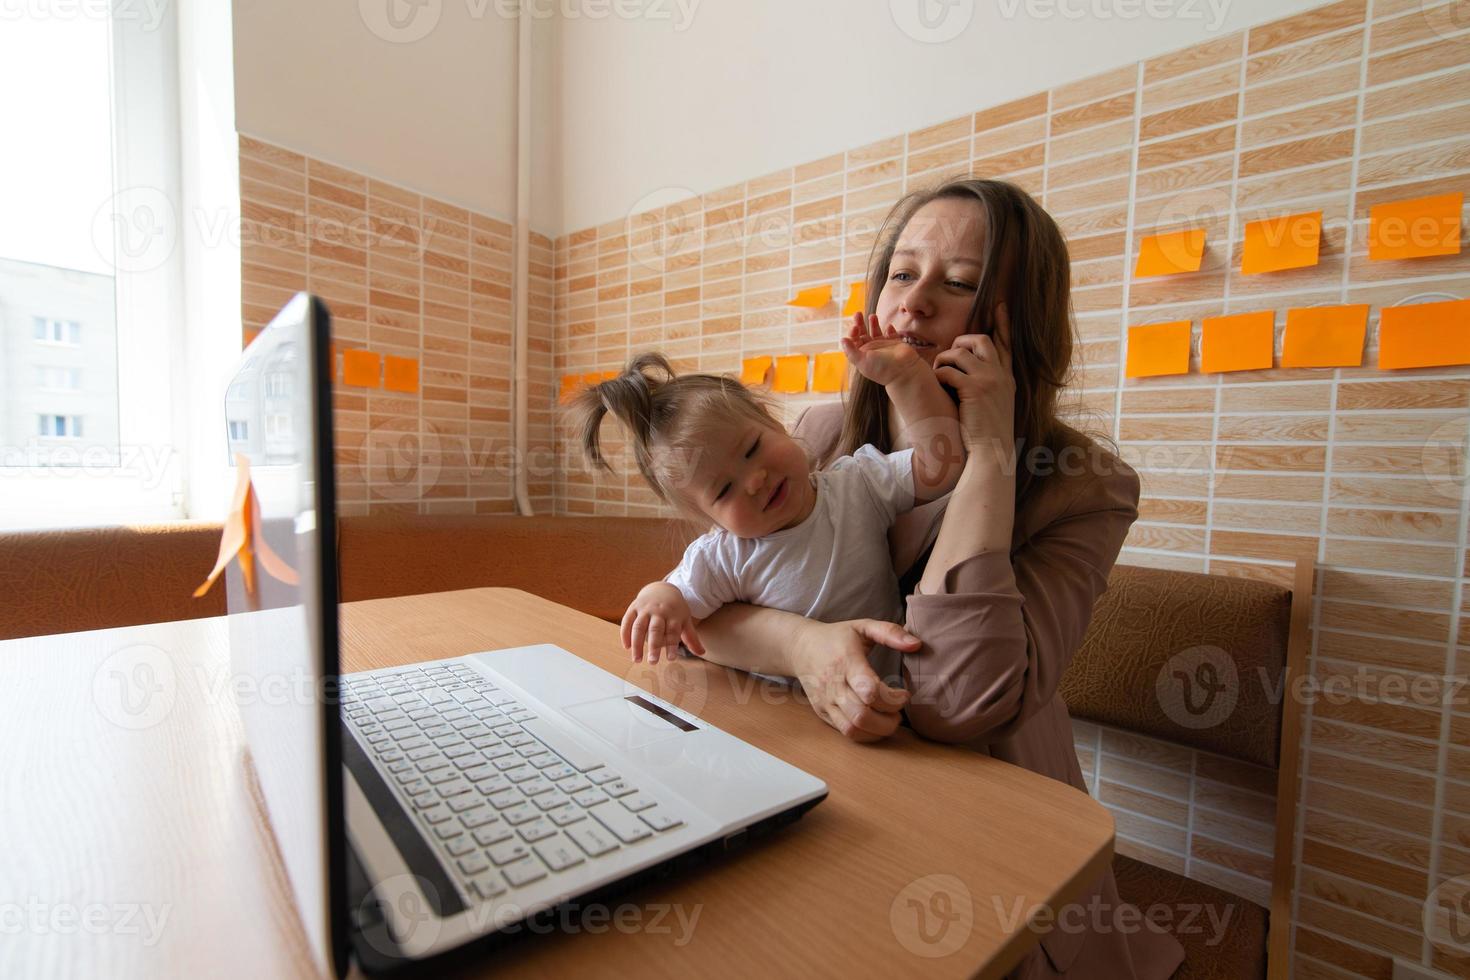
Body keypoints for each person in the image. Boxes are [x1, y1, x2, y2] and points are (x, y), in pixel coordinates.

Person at [692, 177, 1186, 979]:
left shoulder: (1084, 484)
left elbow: (960, 704)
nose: (915, 304)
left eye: (958, 284)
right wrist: (805, 646)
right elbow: (701, 608)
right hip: (823, 781)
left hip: (991, 824)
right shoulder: (818, 434)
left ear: (1016, 322)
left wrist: (988, 452)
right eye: (900, 274)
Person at [569, 311, 970, 666]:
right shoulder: (724, 556)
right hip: (780, 717)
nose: (755, 480)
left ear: (774, 423)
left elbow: (943, 466)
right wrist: (660, 597)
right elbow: (685, 610)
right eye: (724, 490)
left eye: (753, 449)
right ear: (708, 517)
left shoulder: (857, 485)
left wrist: (905, 377)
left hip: (879, 693)